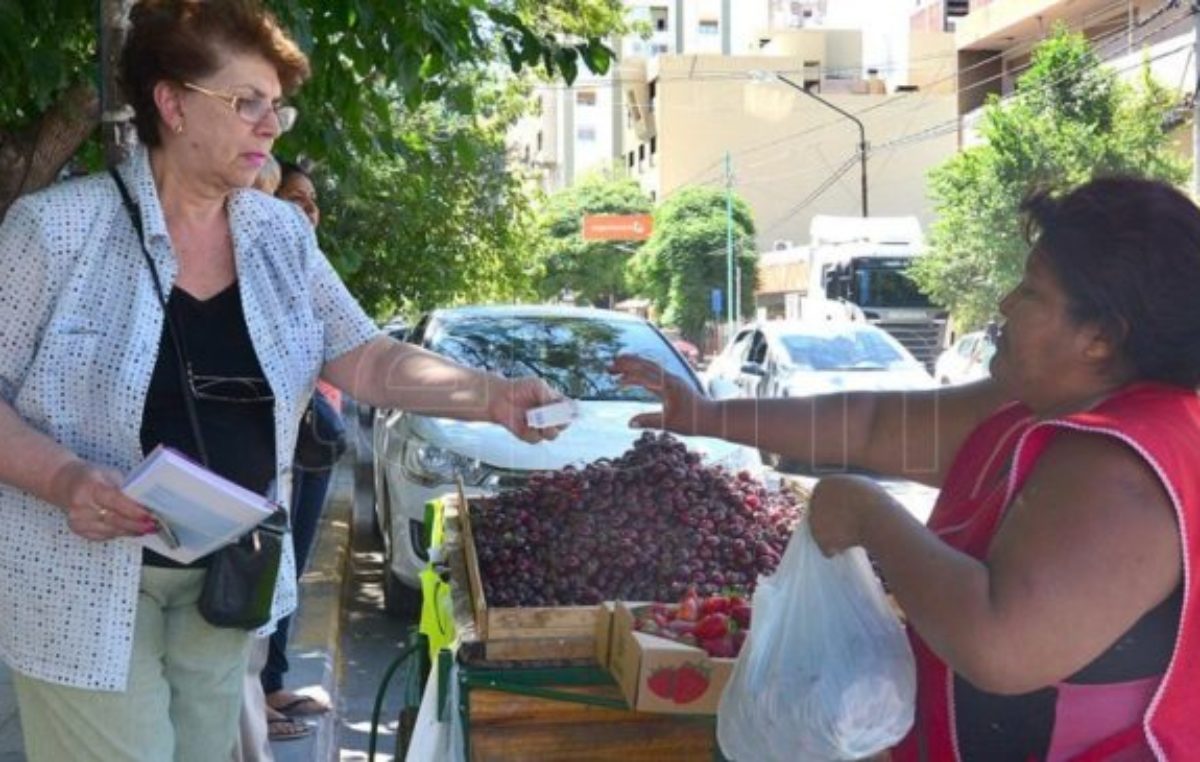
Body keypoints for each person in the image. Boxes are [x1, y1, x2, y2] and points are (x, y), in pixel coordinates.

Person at [0, 1, 562, 760]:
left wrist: (489, 394)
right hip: (79, 579)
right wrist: (66, 478)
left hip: (228, 576)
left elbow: (363, 355)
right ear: (170, 103)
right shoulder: (57, 228)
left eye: (276, 108)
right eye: (246, 103)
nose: (269, 125)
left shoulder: (278, 233)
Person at [612, 177, 1200, 759]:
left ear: (1099, 337)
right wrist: (705, 414)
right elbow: (874, 427)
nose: (1005, 305)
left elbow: (1001, 645)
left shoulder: (1119, 469)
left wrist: (872, 516)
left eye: (1031, 292)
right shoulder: (1036, 410)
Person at [261, 159, 336, 741]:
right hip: (267, 448)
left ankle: (270, 683)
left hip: (310, 446)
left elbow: (361, 350)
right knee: (256, 567)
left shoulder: (310, 267)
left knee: (289, 566)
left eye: (311, 202)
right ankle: (253, 698)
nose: (305, 210)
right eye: (292, 198)